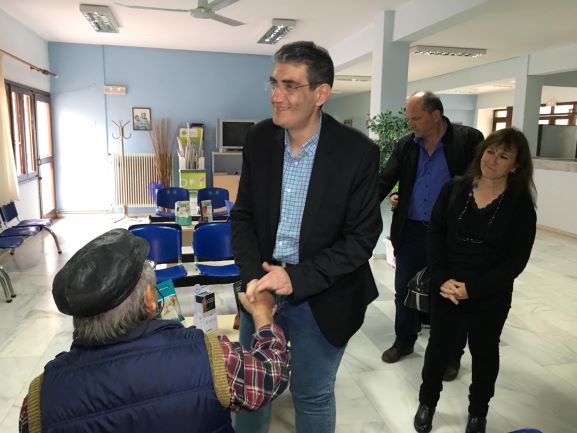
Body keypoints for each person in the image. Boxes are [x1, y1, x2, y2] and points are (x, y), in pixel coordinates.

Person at [230, 41, 382, 433]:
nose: (276, 95)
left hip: (324, 295)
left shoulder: (357, 153)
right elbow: (243, 215)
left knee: (311, 395)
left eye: (290, 85)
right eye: (274, 83)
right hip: (261, 289)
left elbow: (361, 239)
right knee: (251, 389)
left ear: (321, 93)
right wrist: (254, 278)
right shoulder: (259, 139)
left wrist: (295, 278)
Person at [18, 228, 289, 433]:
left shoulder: (38, 403)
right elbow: (271, 375)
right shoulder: (212, 360)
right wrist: (263, 316)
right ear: (150, 300)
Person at [413, 128, 537, 433]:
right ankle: (427, 402)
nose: (492, 160)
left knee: (484, 353)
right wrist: (442, 278)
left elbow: (515, 261)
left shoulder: (520, 206)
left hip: (489, 292)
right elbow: (435, 234)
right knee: (438, 348)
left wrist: (473, 289)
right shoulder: (455, 189)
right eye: (490, 151)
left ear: (516, 166)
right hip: (447, 287)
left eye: (503, 156)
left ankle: (478, 413)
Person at [379, 91, 484, 381]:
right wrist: (355, 212)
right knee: (404, 290)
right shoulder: (406, 144)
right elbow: (384, 180)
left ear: (435, 116)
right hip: (411, 230)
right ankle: (404, 340)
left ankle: (451, 355)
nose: (410, 124)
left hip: (452, 235)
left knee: (450, 296)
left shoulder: (468, 140)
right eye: (409, 118)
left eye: (416, 118)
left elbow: (482, 181)